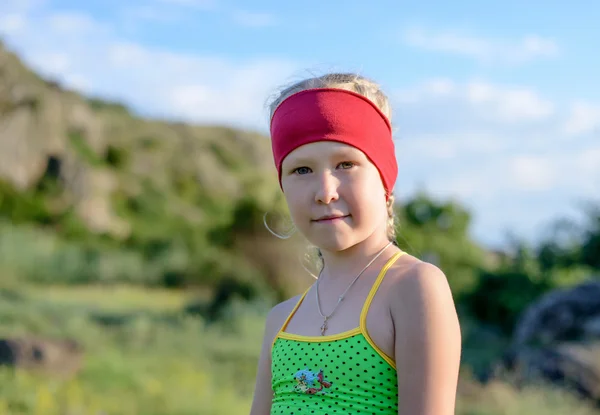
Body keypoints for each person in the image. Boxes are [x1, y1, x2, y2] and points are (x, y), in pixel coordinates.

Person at [249, 73, 462, 415]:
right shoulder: (281, 321)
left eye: (346, 164)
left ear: (384, 177)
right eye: (301, 170)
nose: (324, 191)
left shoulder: (414, 288)